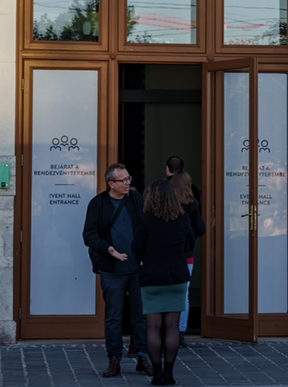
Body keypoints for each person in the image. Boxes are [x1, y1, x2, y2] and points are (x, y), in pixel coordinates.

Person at [83, 163, 154, 378]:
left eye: (128, 178)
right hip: (112, 268)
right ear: (110, 183)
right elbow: (89, 235)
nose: (128, 183)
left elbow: (146, 226)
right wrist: (109, 249)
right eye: (123, 180)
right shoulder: (98, 203)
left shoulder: (136, 199)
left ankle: (143, 357)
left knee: (141, 315)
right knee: (113, 317)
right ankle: (114, 359)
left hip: (137, 268)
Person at [132, 179, 194, 386]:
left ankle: (157, 375)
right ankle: (170, 374)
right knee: (172, 326)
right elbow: (190, 244)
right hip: (176, 276)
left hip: (151, 277)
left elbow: (136, 247)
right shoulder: (183, 219)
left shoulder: (145, 220)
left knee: (153, 326)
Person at [170, 170, 204, 348]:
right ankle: (180, 333)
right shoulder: (192, 204)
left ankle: (166, 331)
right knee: (184, 295)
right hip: (186, 256)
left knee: (166, 293)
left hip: (166, 255)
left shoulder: (166, 204)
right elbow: (200, 228)